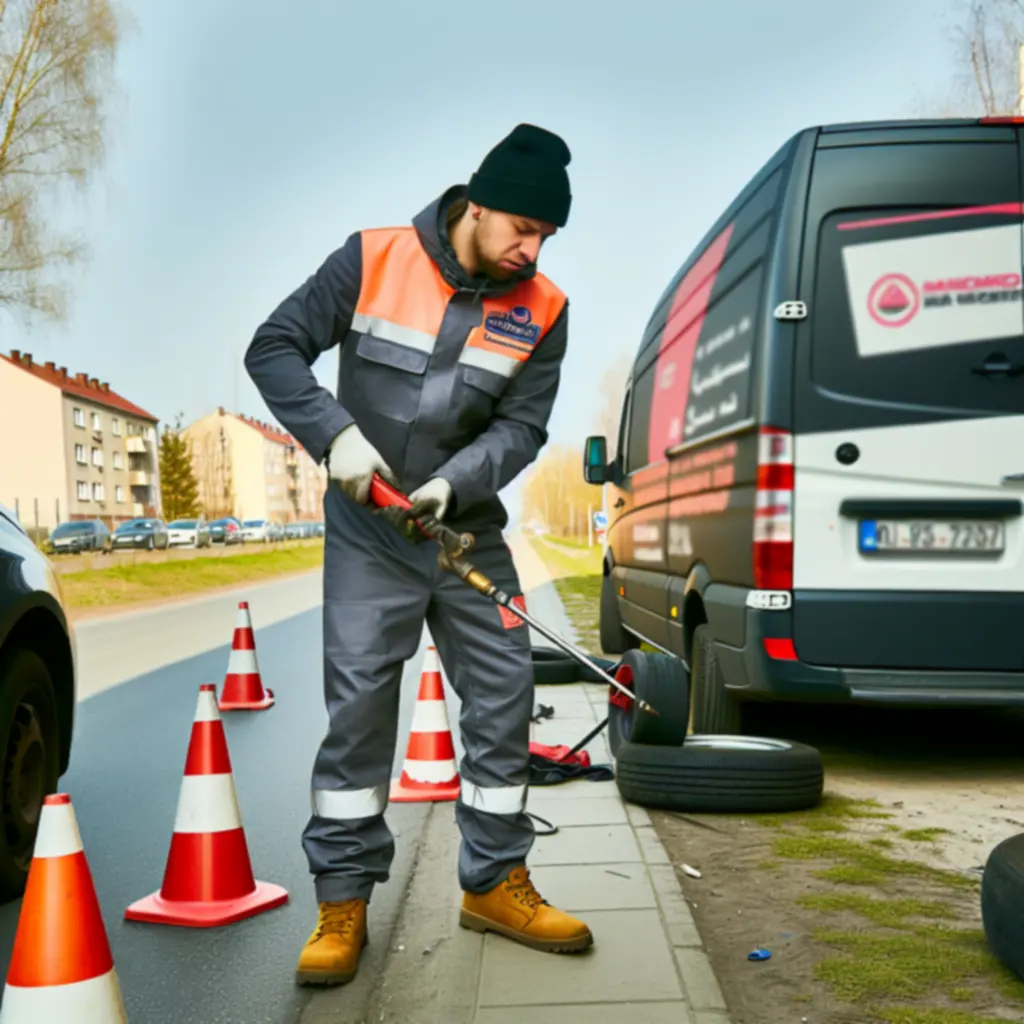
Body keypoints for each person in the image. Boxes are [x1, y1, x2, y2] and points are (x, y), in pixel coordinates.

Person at [244, 123, 593, 987]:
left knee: (506, 693)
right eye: (521, 226)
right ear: (475, 206)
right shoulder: (372, 258)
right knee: (360, 708)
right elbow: (273, 347)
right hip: (369, 531)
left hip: (464, 528)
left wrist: (459, 482)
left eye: (545, 235)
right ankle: (344, 897)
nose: (530, 247)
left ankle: (494, 882)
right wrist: (337, 438)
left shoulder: (543, 308)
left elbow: (523, 426)